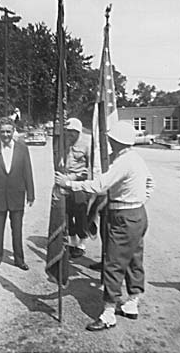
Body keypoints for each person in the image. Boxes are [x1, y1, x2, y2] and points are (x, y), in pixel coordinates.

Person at [55, 121, 155, 331]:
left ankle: (109, 312)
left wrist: (69, 184)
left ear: (117, 141)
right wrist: (139, 200)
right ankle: (132, 302)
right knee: (135, 258)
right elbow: (150, 183)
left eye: (111, 138)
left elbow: (99, 186)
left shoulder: (123, 162)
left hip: (123, 215)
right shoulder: (135, 159)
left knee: (113, 262)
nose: (108, 141)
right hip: (137, 213)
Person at [0, 117, 35, 273]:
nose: (5, 134)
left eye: (8, 131)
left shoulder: (22, 149)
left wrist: (31, 194)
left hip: (17, 195)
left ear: (13, 131)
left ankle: (19, 260)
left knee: (17, 230)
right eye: (2, 131)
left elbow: (27, 172)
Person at [61, 117, 90, 258]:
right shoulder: (65, 143)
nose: (70, 134)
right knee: (67, 214)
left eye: (73, 132)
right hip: (65, 184)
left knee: (81, 215)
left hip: (80, 185)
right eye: (68, 131)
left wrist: (74, 177)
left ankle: (82, 243)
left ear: (78, 132)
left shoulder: (86, 144)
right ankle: (72, 242)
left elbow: (89, 170)